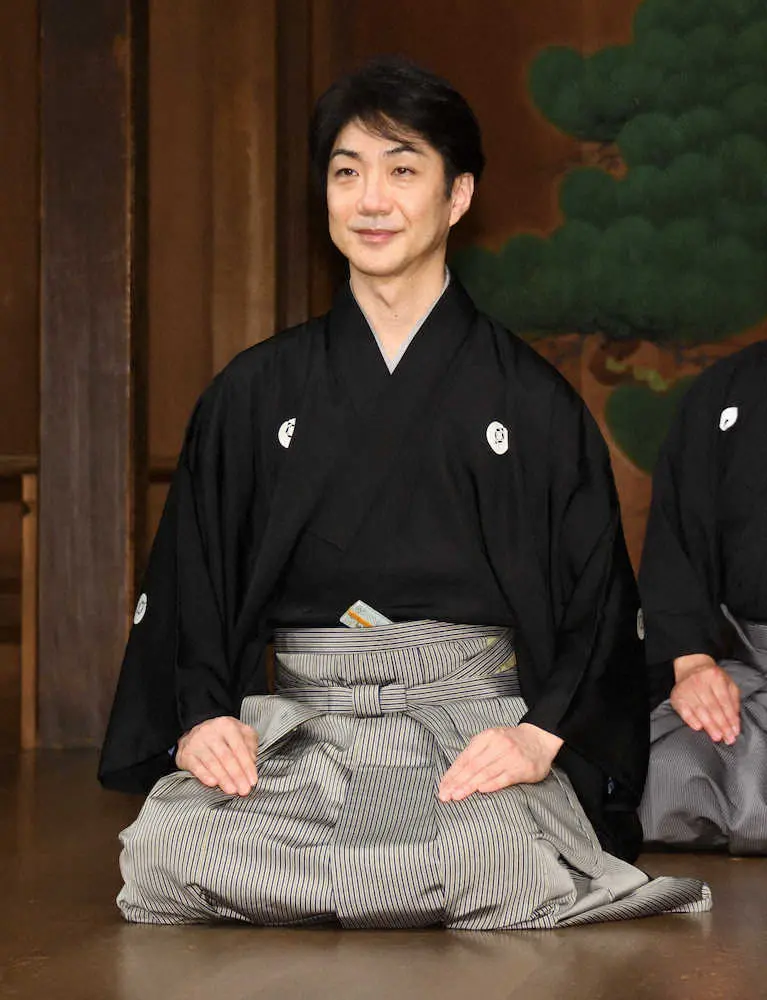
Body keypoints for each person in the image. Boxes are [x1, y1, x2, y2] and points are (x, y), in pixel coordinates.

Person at [99, 56, 710, 928]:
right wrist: (201, 717)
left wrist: (536, 735)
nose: (370, 200)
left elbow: (597, 602)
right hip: (303, 731)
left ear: (457, 196)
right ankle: (396, 884)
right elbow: (193, 574)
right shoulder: (255, 393)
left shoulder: (528, 402)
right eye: (346, 173)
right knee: (166, 855)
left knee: (501, 856)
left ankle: (380, 877)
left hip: (465, 732)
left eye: (401, 170)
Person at [639, 341, 767, 853]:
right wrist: (692, 663)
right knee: (660, 774)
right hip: (752, 671)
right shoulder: (727, 389)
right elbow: (678, 539)